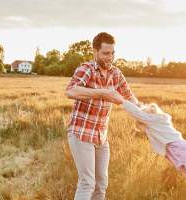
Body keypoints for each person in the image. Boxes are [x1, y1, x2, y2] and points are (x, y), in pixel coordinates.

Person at [65, 32, 141, 200]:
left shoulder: (116, 74)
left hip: (101, 137)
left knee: (101, 185)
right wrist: (102, 93)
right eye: (106, 53)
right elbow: (71, 91)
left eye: (113, 52)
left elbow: (130, 97)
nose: (110, 57)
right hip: (81, 133)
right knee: (87, 183)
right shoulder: (87, 69)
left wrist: (145, 112)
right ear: (95, 52)